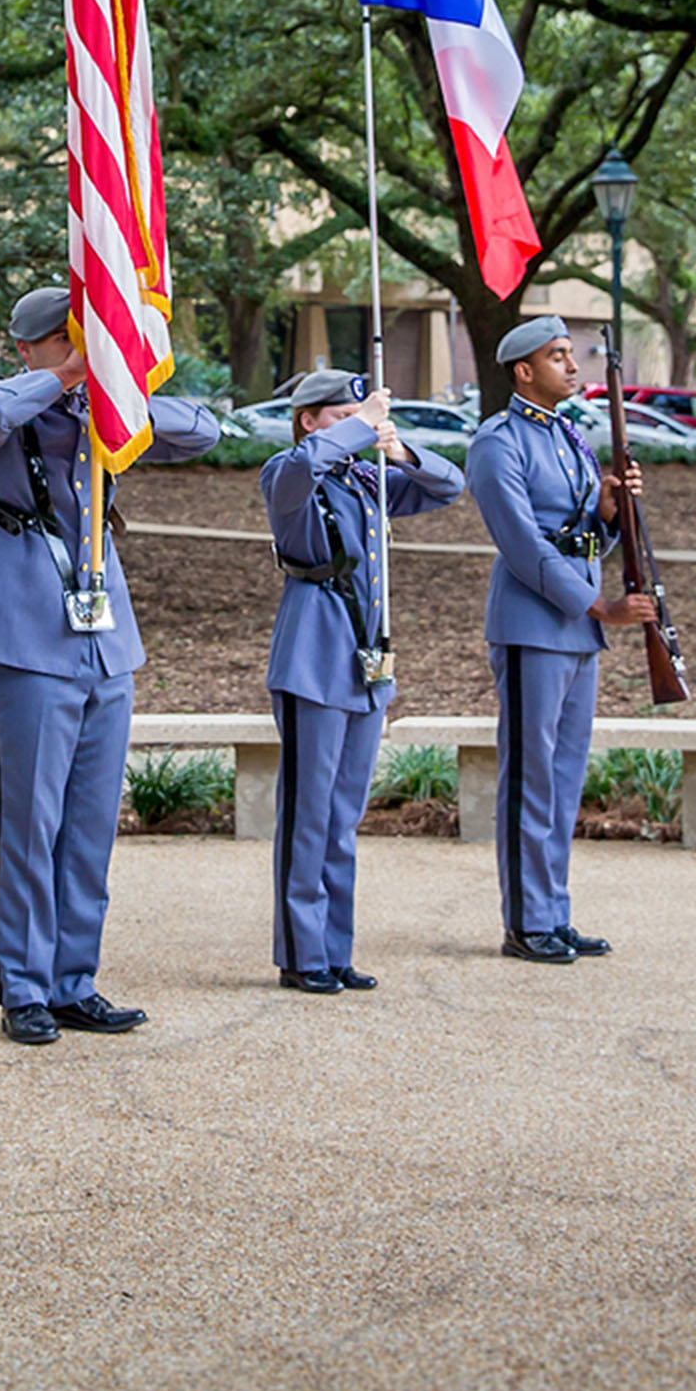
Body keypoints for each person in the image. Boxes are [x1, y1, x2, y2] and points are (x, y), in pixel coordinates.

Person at [0, 285, 220, 1044]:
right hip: (26, 631)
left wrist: (113, 385)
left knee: (92, 824)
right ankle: (26, 987)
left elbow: (202, 432)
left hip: (106, 639)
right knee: (32, 823)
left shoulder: (102, 417)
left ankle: (75, 980)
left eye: (85, 341)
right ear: (27, 348)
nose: (77, 354)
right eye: (65, 341)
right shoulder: (3, 404)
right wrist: (63, 378)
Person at [262, 369, 465, 994]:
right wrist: (357, 428)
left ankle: (335, 947)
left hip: (365, 662)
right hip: (314, 657)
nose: (359, 424)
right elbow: (306, 465)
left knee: (344, 813)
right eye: (341, 414)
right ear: (309, 421)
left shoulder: (366, 479)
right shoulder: (287, 472)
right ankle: (301, 952)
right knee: (308, 813)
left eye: (362, 414)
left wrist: (397, 447)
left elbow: (449, 486)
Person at [466, 316, 651, 965]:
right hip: (532, 623)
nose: (573, 366)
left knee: (565, 777)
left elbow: (580, 537)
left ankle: (554, 912)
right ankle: (525, 922)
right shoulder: (498, 442)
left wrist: (608, 517)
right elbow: (520, 544)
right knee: (531, 776)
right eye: (558, 356)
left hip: (578, 628)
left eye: (572, 354)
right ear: (524, 371)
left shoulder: (571, 437)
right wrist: (597, 603)